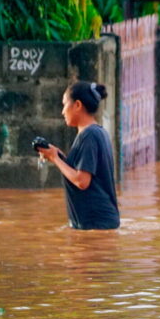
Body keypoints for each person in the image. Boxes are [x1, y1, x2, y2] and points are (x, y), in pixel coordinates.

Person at [38, 81, 120, 230]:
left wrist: (55, 158)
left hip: (96, 225)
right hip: (99, 224)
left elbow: (82, 181)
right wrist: (57, 155)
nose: (63, 111)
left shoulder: (88, 135)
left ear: (77, 105)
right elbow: (83, 173)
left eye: (64, 105)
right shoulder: (97, 132)